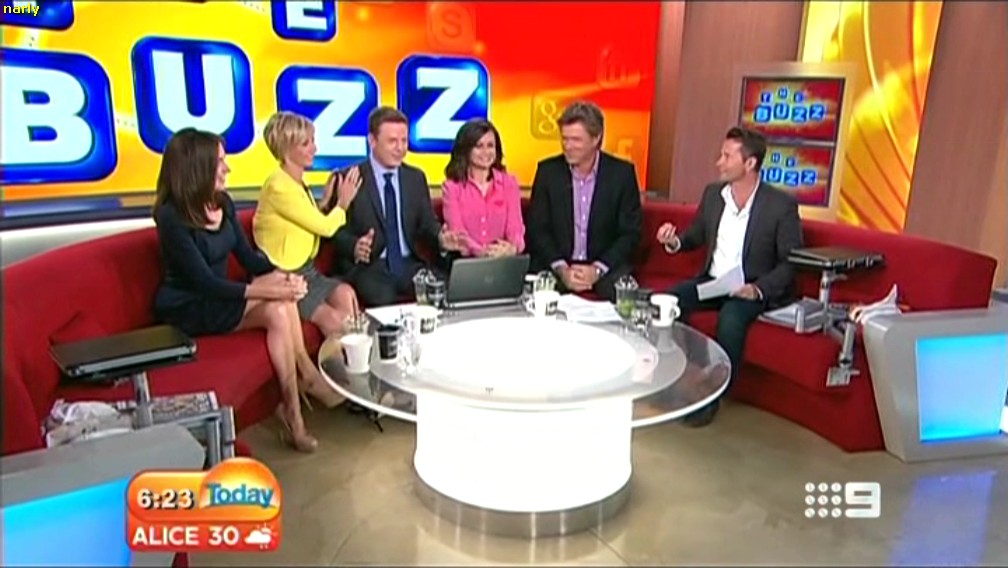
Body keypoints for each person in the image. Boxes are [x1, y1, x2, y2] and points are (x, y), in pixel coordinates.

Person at [152, 128, 321, 453]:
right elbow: (204, 282)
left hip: (222, 298)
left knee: (282, 306)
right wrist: (270, 291)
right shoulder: (171, 216)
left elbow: (248, 258)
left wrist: (283, 276)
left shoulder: (223, 203)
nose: (227, 168)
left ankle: (293, 412)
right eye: (219, 162)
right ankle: (301, 392)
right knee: (278, 303)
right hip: (191, 307)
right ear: (197, 167)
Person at [656, 126, 803, 427]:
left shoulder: (780, 206)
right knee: (668, 302)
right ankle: (679, 383)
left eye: (726, 156)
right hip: (712, 283)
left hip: (750, 289)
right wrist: (674, 242)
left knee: (732, 320)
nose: (718, 162)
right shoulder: (714, 195)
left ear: (750, 163)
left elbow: (791, 262)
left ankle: (710, 398)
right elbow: (695, 236)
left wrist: (757, 289)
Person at [331, 106, 466, 307]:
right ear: (372, 141)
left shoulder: (415, 177)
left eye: (404, 141)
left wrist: (441, 238)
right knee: (382, 298)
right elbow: (333, 231)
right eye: (392, 141)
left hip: (409, 265)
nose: (400, 148)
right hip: (370, 267)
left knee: (444, 288)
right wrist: (354, 246)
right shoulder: (349, 178)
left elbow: (427, 223)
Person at [253, 111, 361, 344]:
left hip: (308, 271)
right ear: (286, 150)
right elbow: (326, 228)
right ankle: (344, 362)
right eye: (306, 143)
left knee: (346, 294)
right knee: (334, 319)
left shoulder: (297, 182)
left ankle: (351, 359)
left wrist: (324, 203)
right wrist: (342, 203)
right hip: (285, 277)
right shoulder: (279, 187)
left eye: (313, 141)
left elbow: (302, 221)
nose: (315, 148)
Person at [526, 100, 642, 301]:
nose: (568, 146)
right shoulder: (548, 172)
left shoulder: (622, 174)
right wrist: (562, 269)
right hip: (558, 264)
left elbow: (630, 233)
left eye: (576, 140)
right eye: (564, 139)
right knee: (539, 290)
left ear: (596, 138)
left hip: (604, 266)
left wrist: (597, 269)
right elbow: (538, 229)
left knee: (620, 293)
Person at [441, 118, 525, 258]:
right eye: (479, 146)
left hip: (503, 259)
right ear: (466, 150)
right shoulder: (452, 188)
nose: (486, 152)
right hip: (467, 261)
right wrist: (483, 253)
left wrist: (512, 248)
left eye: (490, 145)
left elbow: (515, 229)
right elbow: (458, 233)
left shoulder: (509, 183)